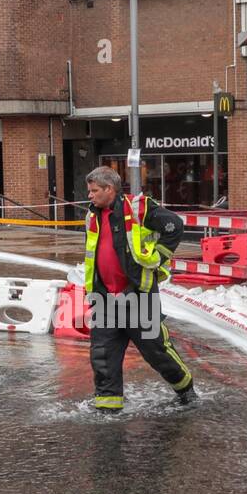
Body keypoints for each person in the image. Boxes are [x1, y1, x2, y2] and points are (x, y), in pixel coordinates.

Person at [82, 166, 195, 412]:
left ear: (109, 189)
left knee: (157, 352)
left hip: (138, 297)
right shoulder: (92, 216)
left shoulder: (138, 208)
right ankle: (107, 408)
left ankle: (186, 390)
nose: (89, 196)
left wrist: (157, 258)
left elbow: (174, 226)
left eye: (93, 191)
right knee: (102, 356)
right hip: (104, 300)